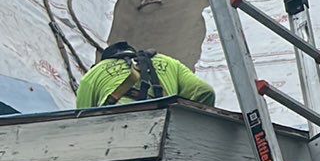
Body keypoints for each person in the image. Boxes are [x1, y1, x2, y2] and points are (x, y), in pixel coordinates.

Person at [75, 42, 215, 109]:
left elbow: (81, 122)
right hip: (163, 123)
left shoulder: (94, 73)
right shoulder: (169, 62)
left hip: (116, 123)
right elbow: (205, 91)